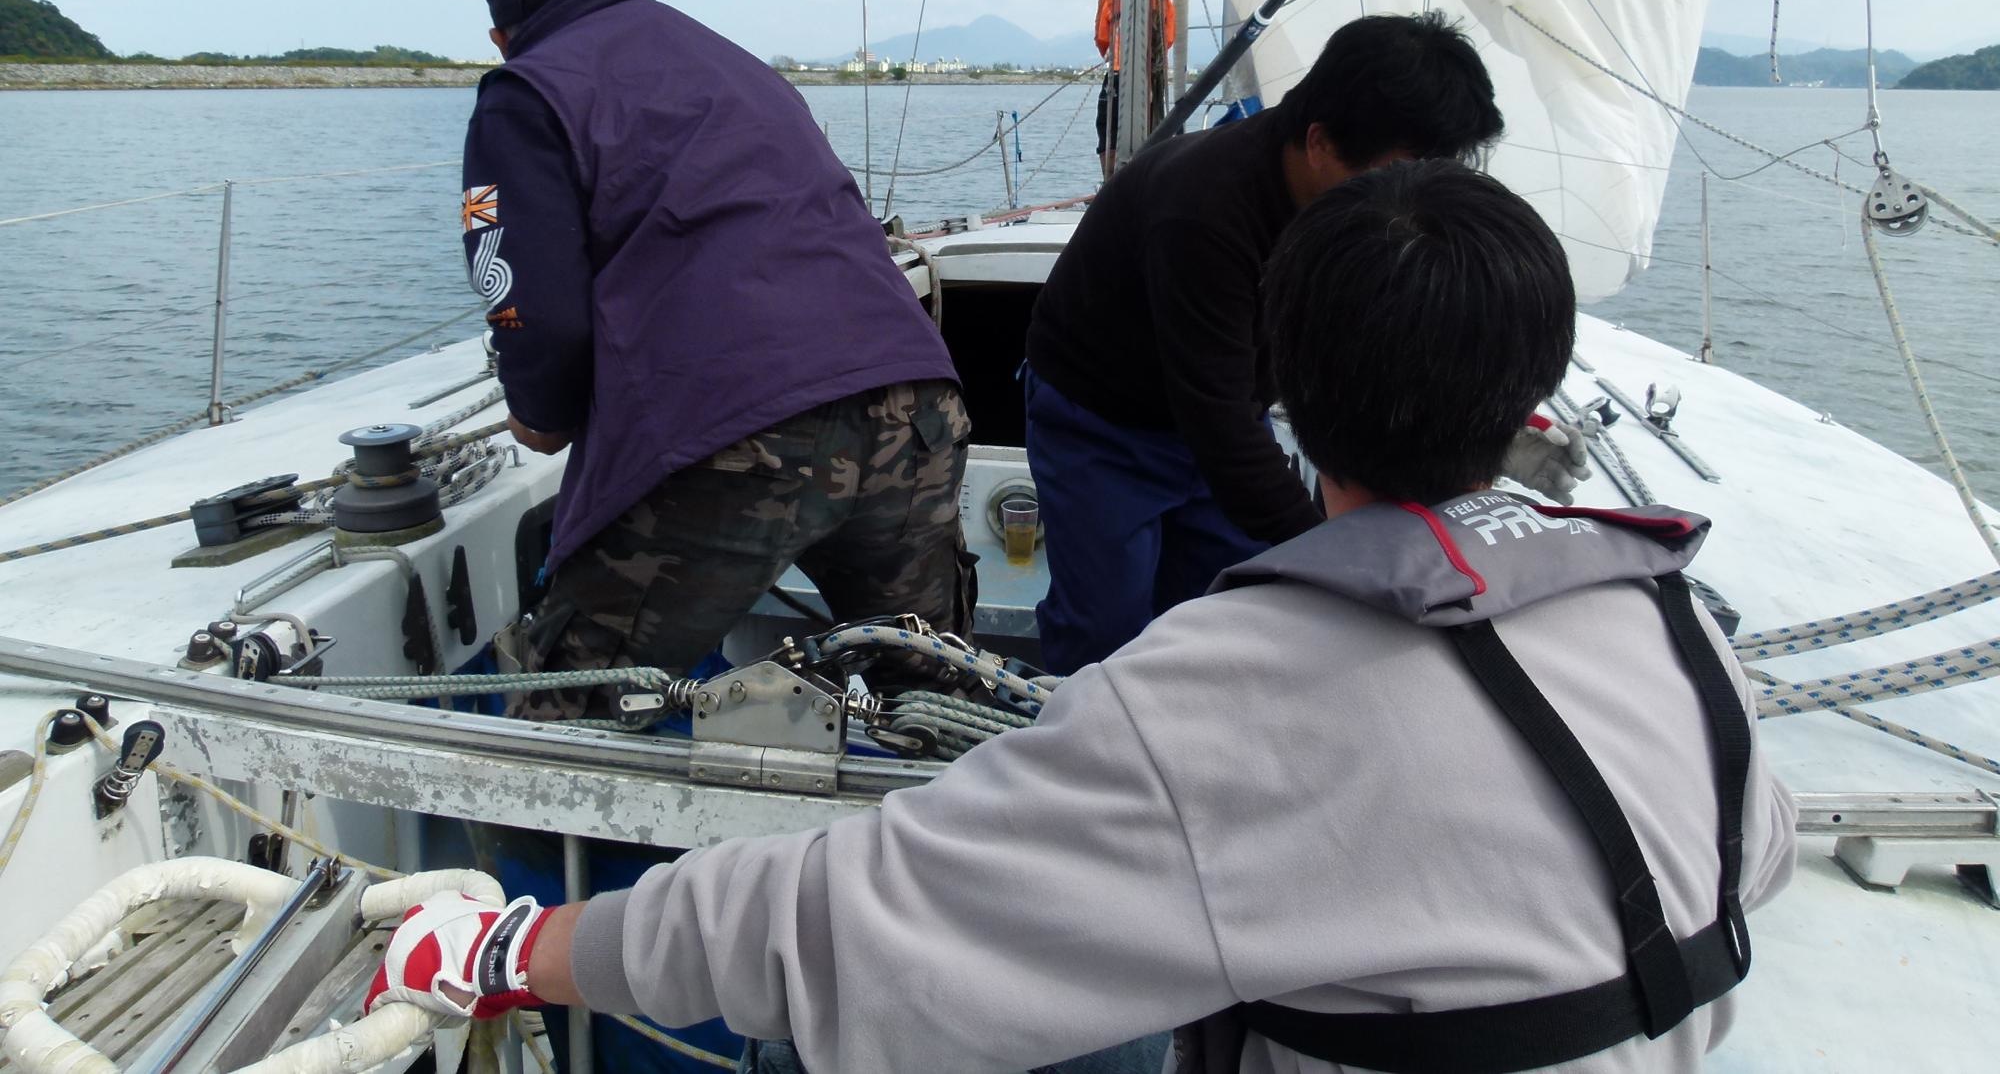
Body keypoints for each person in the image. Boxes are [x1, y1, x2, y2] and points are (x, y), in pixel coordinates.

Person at [371, 160, 1797, 1074]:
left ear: (1284, 388)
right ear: (1533, 394)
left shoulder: (1221, 696)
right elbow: (1758, 858)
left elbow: (844, 925)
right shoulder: (1679, 629)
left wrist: (510, 953)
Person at [462, 0, 972, 706]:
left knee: (569, 703)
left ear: (502, 37)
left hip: (740, 426)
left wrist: (541, 412)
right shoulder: (736, 63)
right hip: (917, 404)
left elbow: (530, 298)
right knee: (933, 699)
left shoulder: (526, 89)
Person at [1027, 10, 1584, 676]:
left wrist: (1485, 431)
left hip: (1228, 406)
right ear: (1320, 142)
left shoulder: (1367, 207)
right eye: (1402, 171)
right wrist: (1344, 559)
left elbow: (1388, 341)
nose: (1416, 196)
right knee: (1104, 625)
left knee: (1225, 605)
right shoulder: (1202, 211)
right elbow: (1221, 426)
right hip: (1104, 419)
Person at [1093, 0, 1177, 179]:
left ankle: (1111, 181)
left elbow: (1102, 38)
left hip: (1118, 72)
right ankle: (1146, 178)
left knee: (1108, 128)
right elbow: (1168, 38)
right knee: (1152, 126)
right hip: (1151, 76)